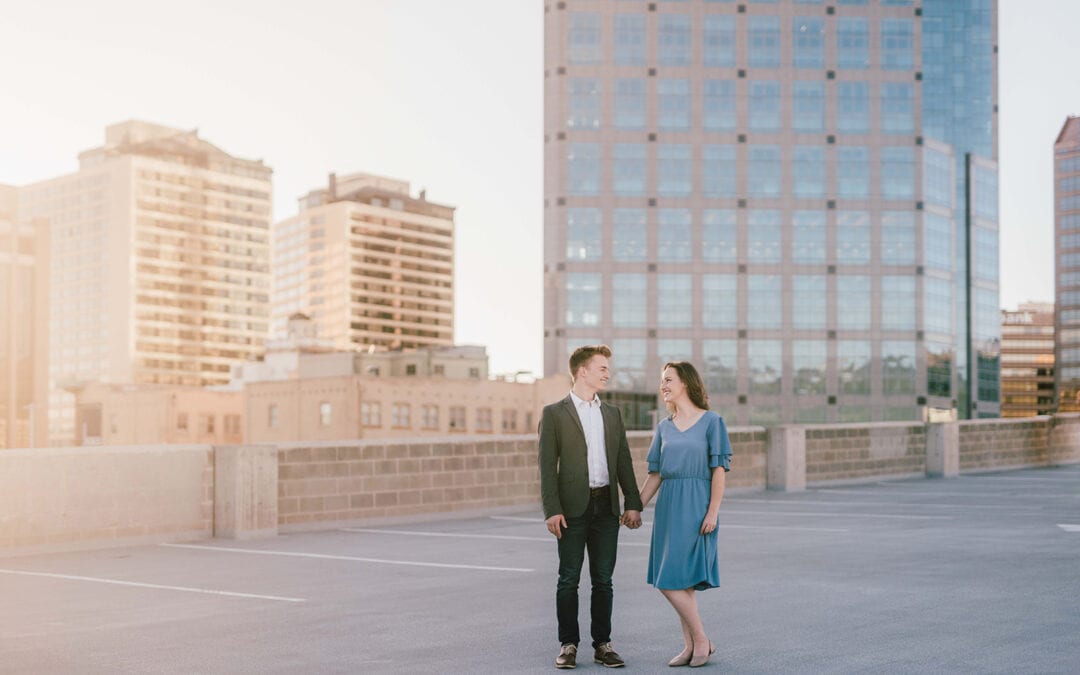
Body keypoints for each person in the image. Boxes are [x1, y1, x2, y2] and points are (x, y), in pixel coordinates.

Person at [538, 344, 644, 669]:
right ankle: (568, 645)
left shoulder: (611, 413)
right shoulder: (554, 413)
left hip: (606, 507)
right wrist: (551, 509)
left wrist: (634, 502)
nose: (607, 373)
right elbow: (546, 466)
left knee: (603, 580)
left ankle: (603, 644)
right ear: (582, 370)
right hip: (570, 510)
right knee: (568, 578)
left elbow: (623, 459)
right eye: (601, 368)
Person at [633, 361, 732, 668]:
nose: (663, 385)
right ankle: (690, 646)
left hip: (697, 506)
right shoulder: (663, 428)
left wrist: (713, 511)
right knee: (679, 581)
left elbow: (719, 470)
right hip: (669, 507)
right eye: (661, 380)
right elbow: (656, 475)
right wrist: (635, 507)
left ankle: (701, 640)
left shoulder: (712, 422)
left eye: (668, 379)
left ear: (685, 383)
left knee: (670, 581)